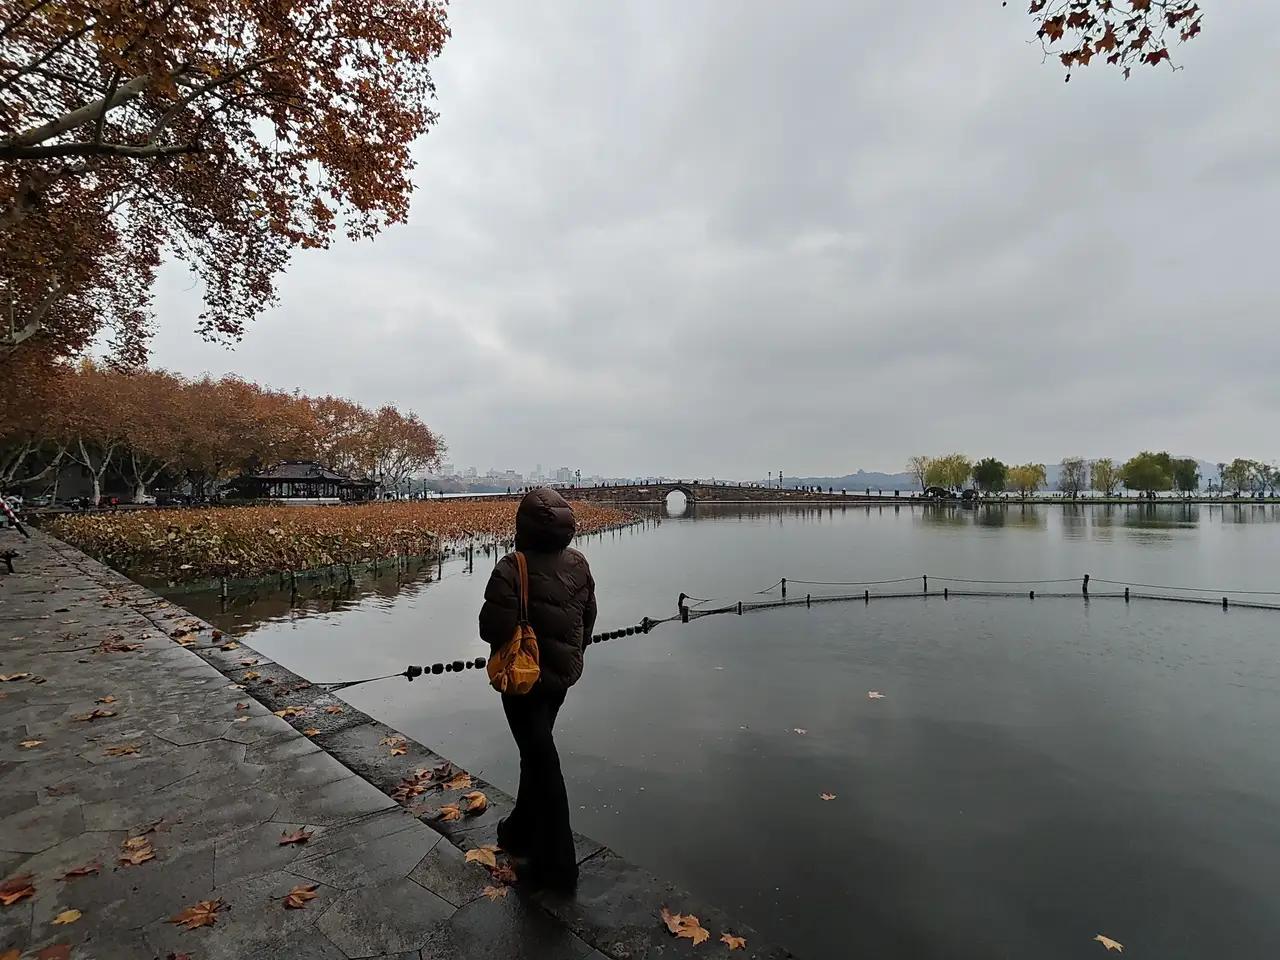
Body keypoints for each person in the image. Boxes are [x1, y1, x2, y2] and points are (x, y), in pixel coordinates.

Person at [479, 487, 597, 891]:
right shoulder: (579, 563)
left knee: (542, 760)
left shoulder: (512, 568)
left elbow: (491, 630)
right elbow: (588, 617)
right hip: (561, 677)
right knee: (536, 751)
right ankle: (518, 831)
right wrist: (573, 656)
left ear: (522, 526)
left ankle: (559, 866)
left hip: (523, 679)